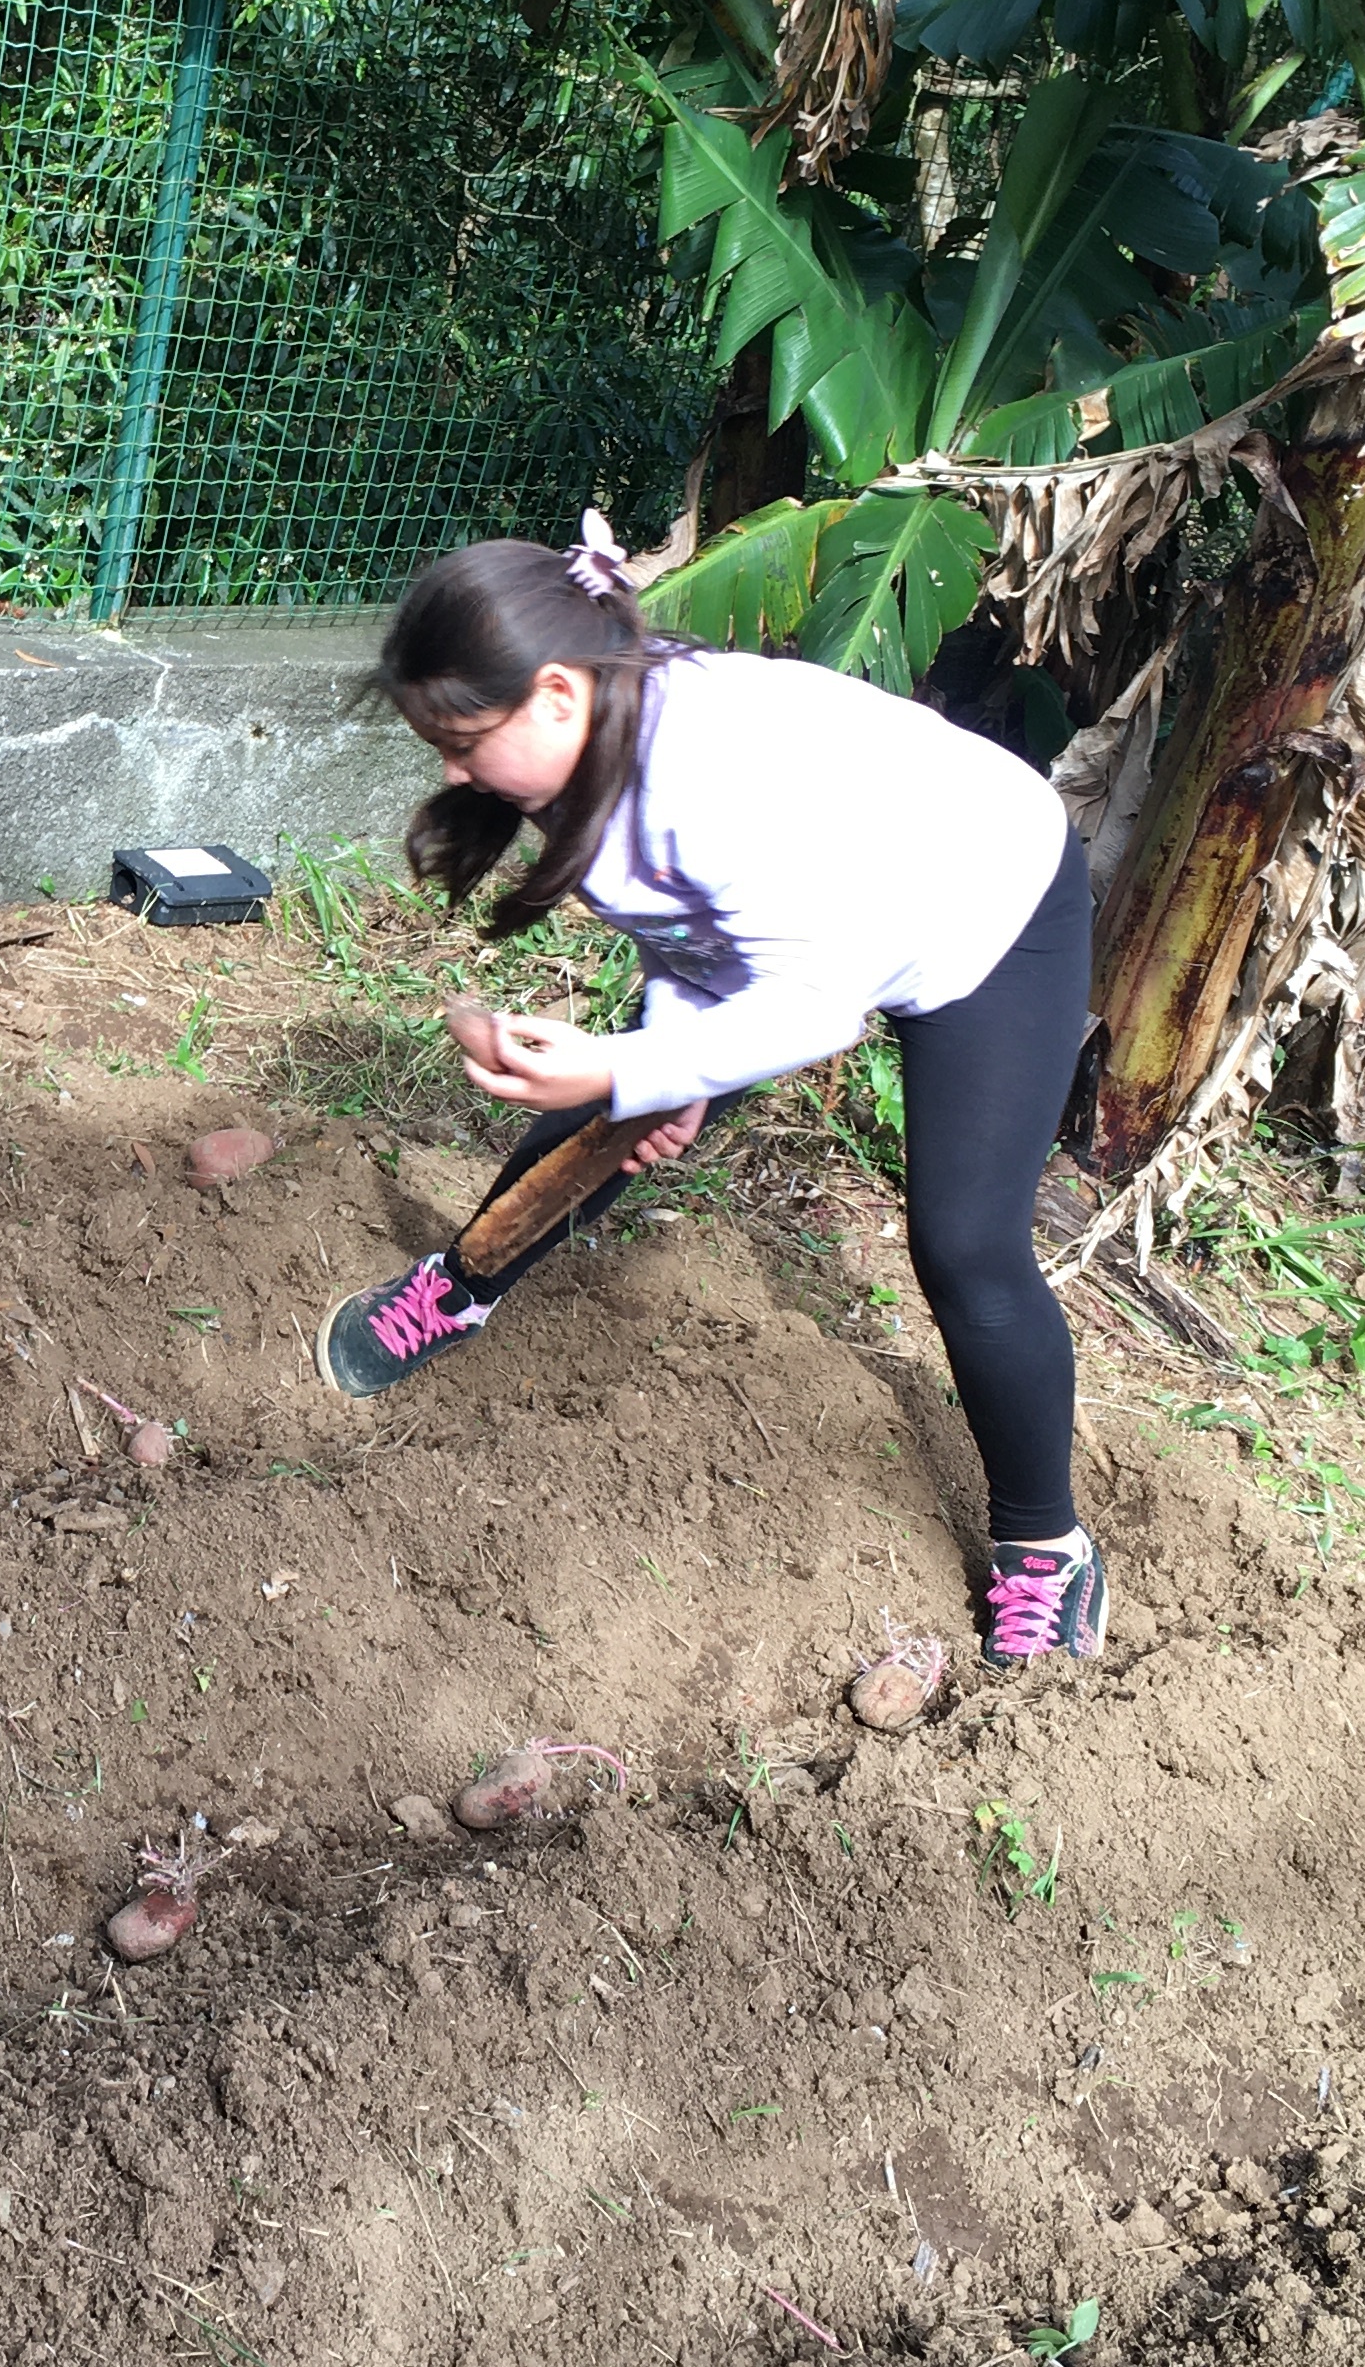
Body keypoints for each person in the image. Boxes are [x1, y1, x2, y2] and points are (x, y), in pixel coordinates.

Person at [313, 515, 1107, 1664]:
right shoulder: (590, 745)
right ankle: (461, 1283)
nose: (450, 770)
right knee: (607, 1109)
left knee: (966, 1246)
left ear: (551, 697)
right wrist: (665, 1067)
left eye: (461, 738)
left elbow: (816, 1008)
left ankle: (1048, 1544)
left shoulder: (720, 771)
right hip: (813, 933)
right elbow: (689, 932)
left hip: (984, 912)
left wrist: (640, 1062)